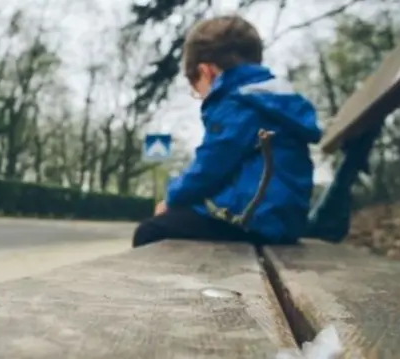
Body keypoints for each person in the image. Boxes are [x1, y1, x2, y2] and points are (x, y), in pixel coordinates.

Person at [132, 15, 322, 248]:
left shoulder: (237, 103)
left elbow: (210, 168)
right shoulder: (274, 100)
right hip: (281, 221)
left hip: (250, 220)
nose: (200, 97)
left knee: (151, 231)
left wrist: (171, 198)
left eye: (196, 89)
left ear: (207, 72)